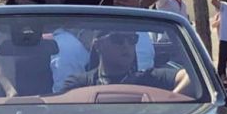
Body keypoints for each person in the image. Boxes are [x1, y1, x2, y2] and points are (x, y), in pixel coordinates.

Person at [61, 31, 189, 93]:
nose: (126, 45)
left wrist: (170, 101)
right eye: (117, 39)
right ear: (98, 45)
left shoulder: (149, 79)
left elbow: (190, 76)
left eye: (132, 39)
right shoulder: (79, 84)